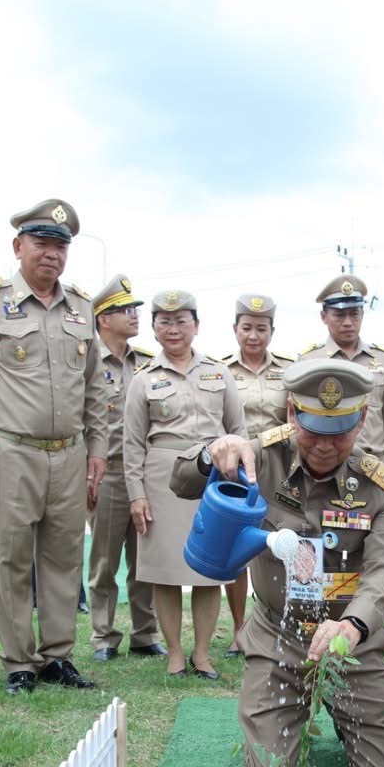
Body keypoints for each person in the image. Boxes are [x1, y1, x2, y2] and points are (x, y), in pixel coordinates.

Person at [170, 360, 384, 767]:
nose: (325, 447)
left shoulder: (381, 486)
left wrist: (352, 626)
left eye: (340, 433)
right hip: (278, 635)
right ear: (292, 413)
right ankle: (280, 718)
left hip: (348, 642)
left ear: (363, 419)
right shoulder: (260, 458)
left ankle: (340, 715)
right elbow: (181, 481)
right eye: (313, 432)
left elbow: (382, 571)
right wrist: (211, 453)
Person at [0, 198, 109, 695]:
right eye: (42, 243)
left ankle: (58, 657)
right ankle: (19, 662)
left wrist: (97, 452)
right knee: (11, 559)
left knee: (64, 557)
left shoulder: (82, 308)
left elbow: (95, 389)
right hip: (9, 451)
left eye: (60, 246)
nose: (52, 254)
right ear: (18, 246)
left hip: (69, 453)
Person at [125, 289, 244, 679]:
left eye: (181, 320)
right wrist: (136, 495)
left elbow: (237, 429)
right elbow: (131, 443)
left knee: (208, 568)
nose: (173, 328)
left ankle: (203, 654)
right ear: (155, 327)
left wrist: (237, 478)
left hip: (212, 476)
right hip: (162, 477)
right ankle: (175, 653)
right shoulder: (143, 380)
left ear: (196, 325)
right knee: (166, 570)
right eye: (164, 321)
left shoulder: (219, 372)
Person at [84, 275, 163, 663]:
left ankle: (145, 634)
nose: (134, 316)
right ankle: (103, 636)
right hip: (107, 472)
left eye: (135, 309)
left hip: (146, 475)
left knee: (144, 560)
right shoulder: (87, 361)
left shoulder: (147, 363)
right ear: (102, 319)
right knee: (104, 561)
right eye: (124, 310)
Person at [222, 292, 292, 648]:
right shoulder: (220, 371)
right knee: (237, 550)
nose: (253, 335)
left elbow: (293, 421)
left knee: (274, 548)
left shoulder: (288, 370)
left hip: (278, 471)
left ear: (272, 331)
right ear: (235, 329)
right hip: (237, 474)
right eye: (246, 328)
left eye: (261, 329)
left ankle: (276, 623)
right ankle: (239, 629)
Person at [294, 275, 384, 483]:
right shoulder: (308, 361)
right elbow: (296, 420)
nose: (348, 322)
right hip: (324, 467)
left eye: (354, 314)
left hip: (375, 467)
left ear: (362, 314)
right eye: (339, 315)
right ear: (324, 316)